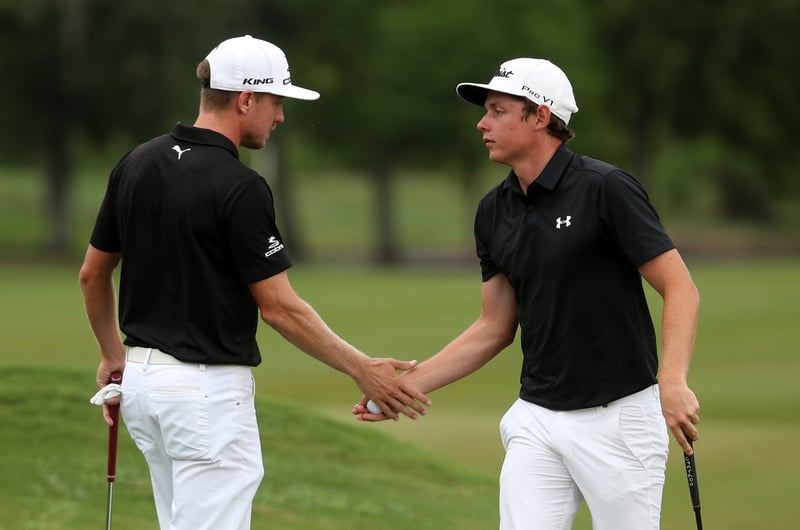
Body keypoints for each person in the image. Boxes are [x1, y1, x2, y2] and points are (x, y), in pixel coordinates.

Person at [79, 35, 430, 530]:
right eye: (277, 102)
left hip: (142, 387)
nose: (281, 116)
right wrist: (361, 367)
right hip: (204, 394)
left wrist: (114, 356)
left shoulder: (136, 163)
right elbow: (280, 309)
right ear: (246, 99)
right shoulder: (240, 187)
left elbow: (92, 273)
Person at [354, 58, 700, 529]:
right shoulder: (493, 211)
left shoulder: (605, 189)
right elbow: (494, 327)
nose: (482, 123)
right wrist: (402, 388)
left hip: (617, 418)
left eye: (497, 110)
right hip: (537, 417)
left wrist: (673, 380)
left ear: (540, 117)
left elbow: (680, 287)